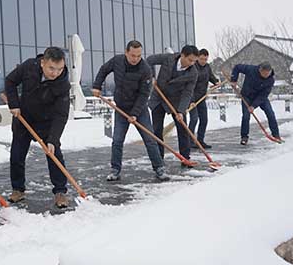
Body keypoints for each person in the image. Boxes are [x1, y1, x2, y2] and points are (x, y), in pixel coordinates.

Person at [92, 40, 170, 182]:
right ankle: (115, 170)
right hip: (121, 108)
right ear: (126, 52)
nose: (135, 59)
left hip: (139, 110)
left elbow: (144, 95)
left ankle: (159, 168)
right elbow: (104, 70)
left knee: (150, 139)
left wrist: (134, 113)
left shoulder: (145, 69)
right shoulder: (117, 61)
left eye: (139, 55)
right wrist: (97, 86)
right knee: (117, 140)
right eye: (133, 55)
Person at [5, 47, 72, 208]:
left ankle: (60, 191)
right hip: (24, 118)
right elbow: (10, 81)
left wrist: (53, 139)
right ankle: (18, 189)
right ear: (42, 63)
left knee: (54, 154)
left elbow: (61, 115)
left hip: (46, 123)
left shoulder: (63, 85)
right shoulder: (29, 67)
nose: (55, 73)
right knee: (17, 156)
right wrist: (14, 104)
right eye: (51, 68)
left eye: (59, 69)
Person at [147, 45, 199, 164]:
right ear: (182, 55)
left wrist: (181, 111)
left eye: (194, 61)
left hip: (176, 100)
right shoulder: (168, 58)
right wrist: (152, 77)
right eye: (190, 60)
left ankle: (185, 157)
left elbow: (187, 93)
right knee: (157, 129)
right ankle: (159, 159)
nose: (192, 63)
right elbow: (149, 60)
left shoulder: (193, 73)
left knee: (182, 129)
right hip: (159, 97)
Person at [230, 62, 281, 145]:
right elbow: (237, 67)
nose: (265, 75)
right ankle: (244, 137)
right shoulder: (251, 69)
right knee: (246, 116)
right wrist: (233, 80)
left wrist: (253, 106)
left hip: (261, 98)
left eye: (267, 73)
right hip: (247, 96)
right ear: (260, 70)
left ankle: (276, 135)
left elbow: (263, 95)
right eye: (264, 73)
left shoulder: (270, 80)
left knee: (270, 113)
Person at [188, 49, 219, 149]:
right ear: (197, 57)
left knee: (204, 120)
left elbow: (211, 76)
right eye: (201, 59)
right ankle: (189, 141)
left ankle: (200, 140)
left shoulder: (207, 67)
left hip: (202, 97)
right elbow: (189, 86)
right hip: (191, 98)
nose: (203, 61)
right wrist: (192, 101)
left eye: (205, 59)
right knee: (194, 119)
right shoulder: (192, 67)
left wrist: (216, 82)